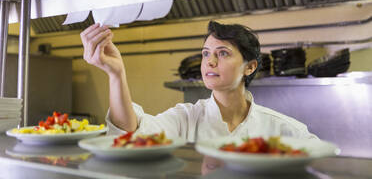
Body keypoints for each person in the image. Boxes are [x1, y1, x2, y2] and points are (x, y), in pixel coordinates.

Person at [80, 21, 318, 142]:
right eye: (206, 53)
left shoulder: (284, 130)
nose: (209, 62)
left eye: (222, 53)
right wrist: (116, 74)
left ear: (250, 66)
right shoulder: (186, 118)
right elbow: (130, 134)